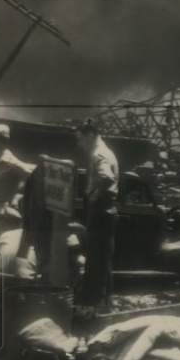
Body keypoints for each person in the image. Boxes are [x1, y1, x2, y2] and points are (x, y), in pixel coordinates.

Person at [77, 119, 119, 311]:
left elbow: (106, 177)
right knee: (103, 259)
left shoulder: (99, 153)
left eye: (81, 139)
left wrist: (93, 196)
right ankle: (104, 303)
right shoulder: (105, 151)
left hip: (101, 209)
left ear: (91, 135)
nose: (80, 144)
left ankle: (97, 304)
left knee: (97, 258)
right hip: (107, 210)